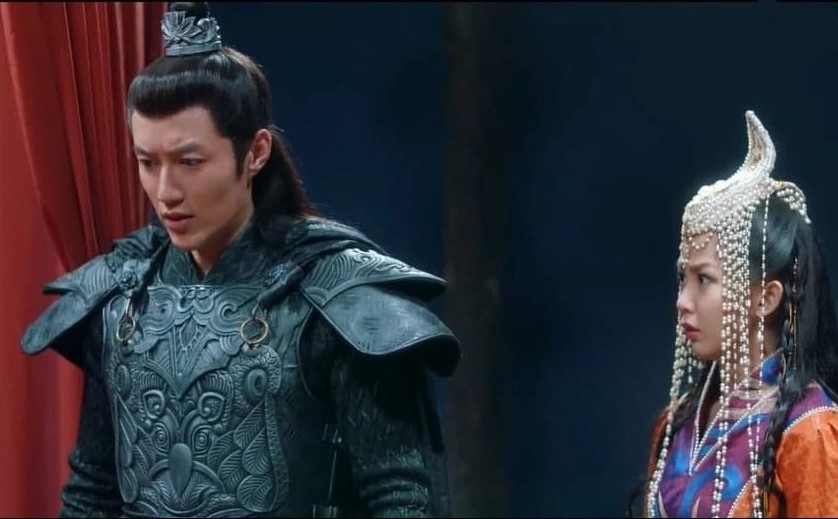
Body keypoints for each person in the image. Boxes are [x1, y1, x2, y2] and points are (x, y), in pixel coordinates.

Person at [20, 2, 461, 517]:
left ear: (255, 153)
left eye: (189, 162)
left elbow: (401, 499)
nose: (165, 191)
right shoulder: (121, 296)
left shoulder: (335, 299)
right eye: (147, 162)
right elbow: (92, 491)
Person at [629, 111, 838, 517]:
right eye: (683, 278)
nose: (682, 301)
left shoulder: (809, 432)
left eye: (703, 279)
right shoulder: (675, 424)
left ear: (766, 299)